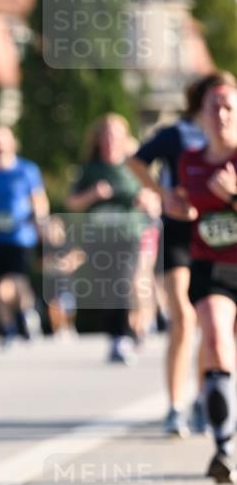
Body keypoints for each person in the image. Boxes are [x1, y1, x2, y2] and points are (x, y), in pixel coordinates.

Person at [128, 77, 217, 437]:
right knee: (183, 316)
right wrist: (163, 194)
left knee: (212, 322)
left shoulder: (229, 136)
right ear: (200, 101)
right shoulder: (176, 133)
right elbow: (136, 162)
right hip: (178, 231)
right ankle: (175, 406)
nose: (222, 109)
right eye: (215, 101)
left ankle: (203, 398)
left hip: (217, 236)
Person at [173, 72, 237, 484]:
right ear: (202, 116)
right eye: (214, 107)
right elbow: (185, 204)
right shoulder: (190, 161)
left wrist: (232, 196)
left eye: (229, 107)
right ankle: (224, 448)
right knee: (215, 339)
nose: (221, 114)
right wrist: (171, 203)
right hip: (212, 267)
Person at [66, 114, 157, 364]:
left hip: (131, 235)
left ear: (125, 138)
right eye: (105, 135)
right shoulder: (90, 169)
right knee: (108, 288)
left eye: (115, 135)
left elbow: (156, 197)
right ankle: (120, 335)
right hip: (100, 237)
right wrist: (93, 195)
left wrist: (147, 200)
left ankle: (125, 334)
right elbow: (72, 203)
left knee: (127, 282)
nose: (110, 141)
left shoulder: (134, 166)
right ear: (98, 139)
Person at [0, 126, 49, 344]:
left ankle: (27, 314)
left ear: (12, 142)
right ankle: (7, 327)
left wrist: (40, 221)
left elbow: (39, 200)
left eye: (2, 139)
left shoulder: (27, 170)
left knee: (18, 280)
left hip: (20, 236)